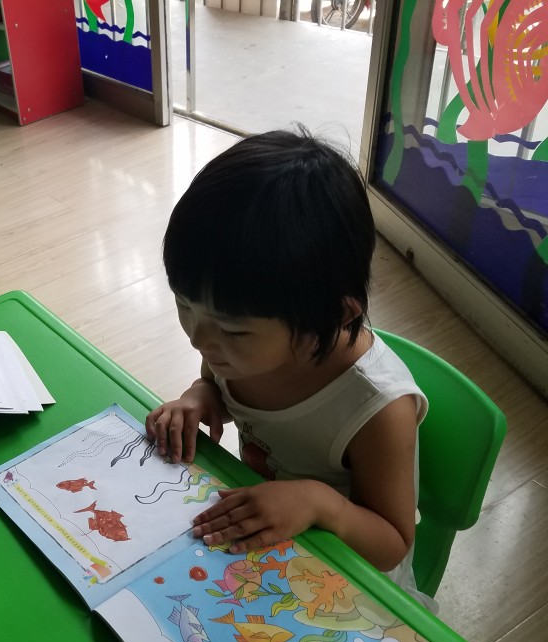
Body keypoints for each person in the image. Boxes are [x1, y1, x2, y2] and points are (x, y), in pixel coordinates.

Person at [144, 127, 431, 603]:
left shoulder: (377, 409)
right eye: (185, 305)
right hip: (265, 543)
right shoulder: (230, 348)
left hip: (346, 581)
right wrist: (199, 397)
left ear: (334, 316)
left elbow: (393, 544)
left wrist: (320, 503)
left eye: (233, 329)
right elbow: (216, 386)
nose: (198, 337)